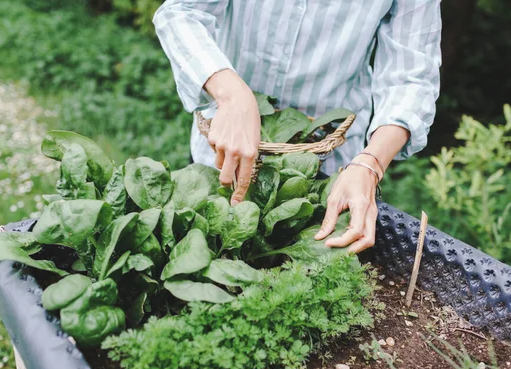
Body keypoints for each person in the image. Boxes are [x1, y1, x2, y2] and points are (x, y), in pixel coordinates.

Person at [153, 1, 442, 253]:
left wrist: (371, 163)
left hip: (332, 170)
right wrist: (232, 93)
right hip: (223, 152)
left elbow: (411, 77)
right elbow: (181, 12)